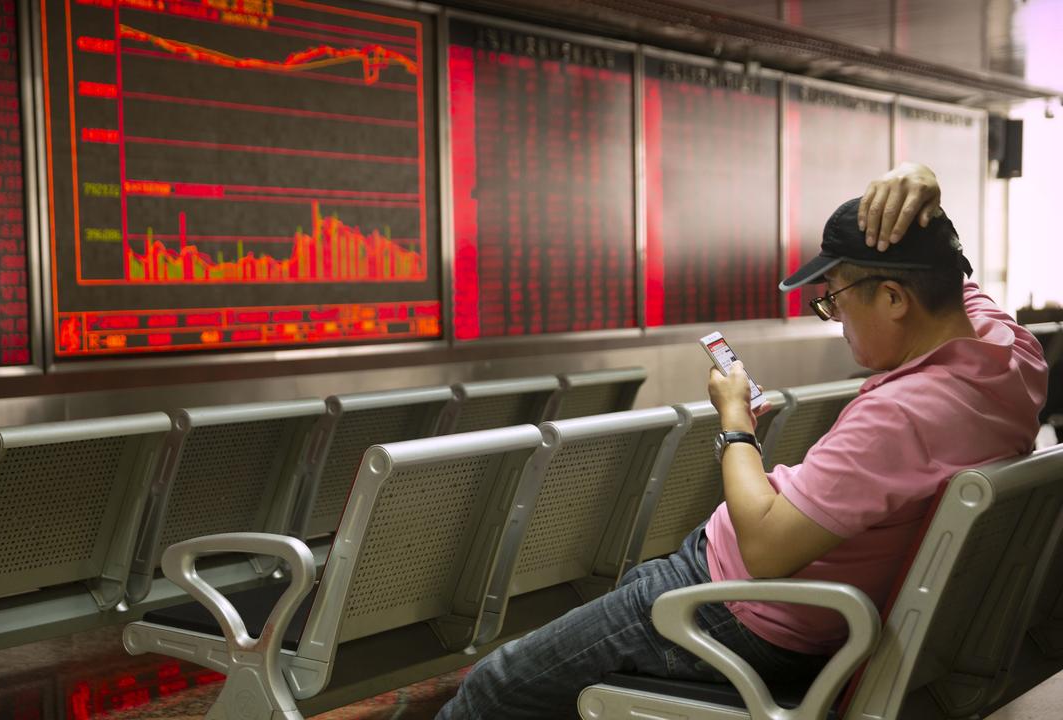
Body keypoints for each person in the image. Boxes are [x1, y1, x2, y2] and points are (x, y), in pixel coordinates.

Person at [436, 163, 1048, 719]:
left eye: (834, 300)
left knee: (492, 688)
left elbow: (762, 551)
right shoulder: (1010, 355)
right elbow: (952, 286)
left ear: (892, 299)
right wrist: (922, 186)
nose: (835, 321)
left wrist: (735, 423)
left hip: (737, 612)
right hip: (790, 611)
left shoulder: (902, 414)